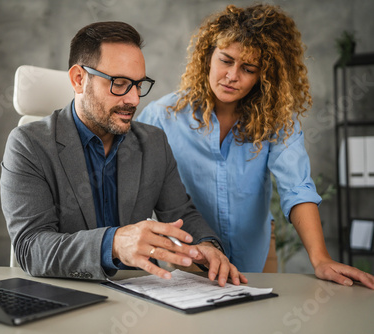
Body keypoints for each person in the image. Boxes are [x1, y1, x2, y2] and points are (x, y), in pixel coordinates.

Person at [137, 4, 374, 288]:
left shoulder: (276, 122)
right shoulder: (161, 116)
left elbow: (296, 187)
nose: (232, 75)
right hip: (190, 257)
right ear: (208, 57)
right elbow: (135, 187)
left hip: (259, 256)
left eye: (248, 69)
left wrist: (321, 258)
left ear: (264, 76)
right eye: (225, 60)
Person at [0, 21, 246, 286]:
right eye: (120, 83)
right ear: (79, 79)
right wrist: (113, 244)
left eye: (138, 84)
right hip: (64, 297)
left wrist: (206, 245)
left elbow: (181, 213)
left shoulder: (153, 142)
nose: (134, 99)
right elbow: (31, 248)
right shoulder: (28, 144)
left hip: (137, 299)